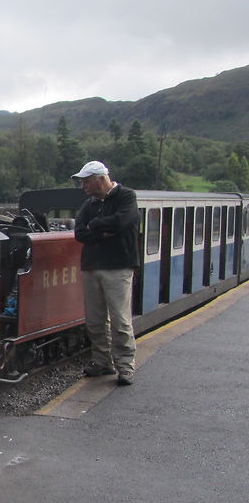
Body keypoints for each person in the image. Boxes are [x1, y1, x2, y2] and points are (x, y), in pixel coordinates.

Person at [72, 160, 139, 386]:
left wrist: (95, 226)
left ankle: (125, 366)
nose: (83, 187)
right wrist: (103, 231)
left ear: (100, 179)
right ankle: (102, 362)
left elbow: (122, 222)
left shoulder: (126, 197)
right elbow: (80, 233)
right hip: (92, 266)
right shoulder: (88, 206)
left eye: (86, 182)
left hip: (118, 267)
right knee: (95, 320)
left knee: (120, 320)